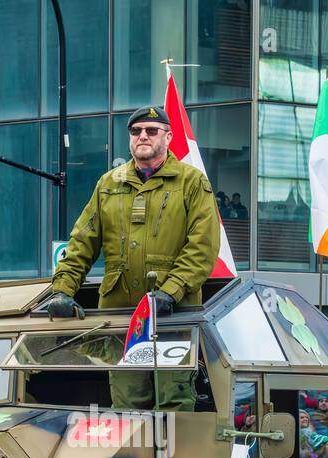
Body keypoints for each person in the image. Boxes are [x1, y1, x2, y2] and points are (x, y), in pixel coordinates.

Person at [44, 104, 218, 411]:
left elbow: (202, 248)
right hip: (122, 318)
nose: (143, 136)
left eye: (152, 131)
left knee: (174, 403)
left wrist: (171, 292)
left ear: (168, 137)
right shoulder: (108, 184)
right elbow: (82, 243)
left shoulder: (191, 182)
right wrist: (62, 290)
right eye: (136, 132)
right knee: (126, 405)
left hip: (172, 316)